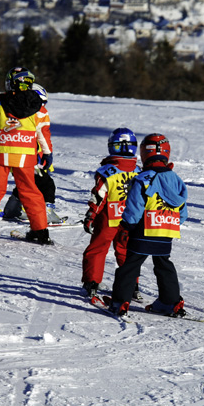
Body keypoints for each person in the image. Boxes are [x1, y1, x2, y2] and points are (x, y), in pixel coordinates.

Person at [106, 134, 188, 318]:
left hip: (145, 228)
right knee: (163, 264)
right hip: (166, 228)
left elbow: (135, 206)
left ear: (144, 154)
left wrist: (126, 226)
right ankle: (170, 302)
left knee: (131, 265)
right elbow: (183, 211)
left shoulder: (144, 178)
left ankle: (120, 301)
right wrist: (172, 222)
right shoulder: (175, 179)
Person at [0, 67, 54, 245]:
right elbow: (43, 134)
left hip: (0, 154)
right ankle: (41, 232)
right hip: (25, 157)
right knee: (30, 192)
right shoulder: (39, 108)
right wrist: (47, 154)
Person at [81, 128, 139, 300]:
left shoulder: (107, 171)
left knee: (97, 249)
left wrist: (91, 215)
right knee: (126, 251)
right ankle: (132, 285)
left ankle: (92, 283)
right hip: (131, 218)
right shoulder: (140, 171)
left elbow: (99, 196)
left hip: (109, 217)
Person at [1, 83, 63, 225]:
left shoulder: (15, 111)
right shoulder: (35, 114)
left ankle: (12, 208)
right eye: (42, 103)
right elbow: (42, 136)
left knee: (27, 183)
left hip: (17, 154)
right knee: (46, 184)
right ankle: (47, 212)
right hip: (30, 156)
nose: (43, 107)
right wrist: (47, 155)